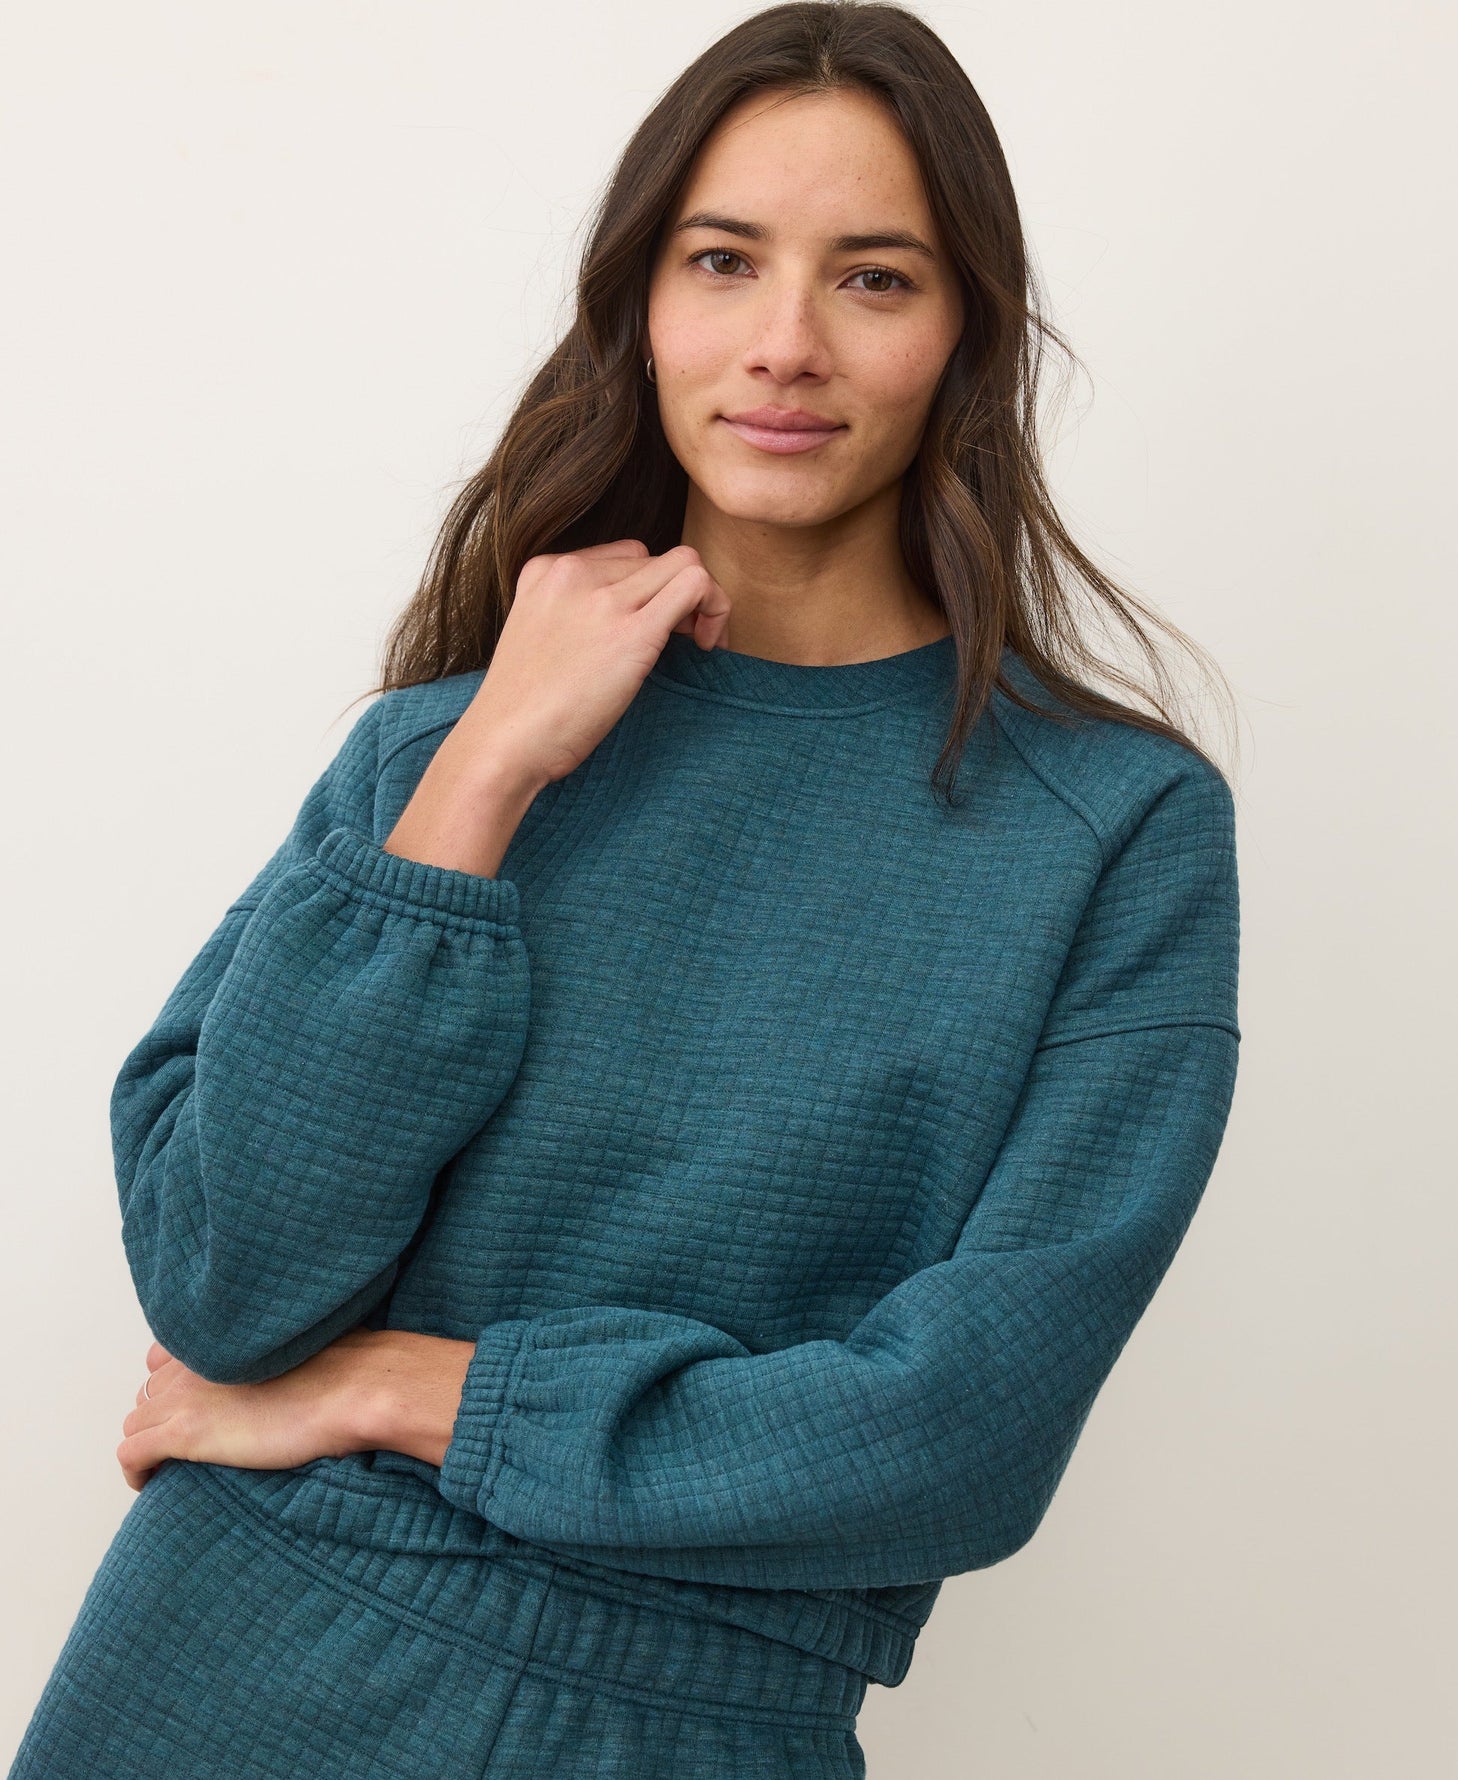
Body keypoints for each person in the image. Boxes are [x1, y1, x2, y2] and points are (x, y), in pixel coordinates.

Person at [9, 4, 1242, 1776]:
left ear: (966, 329)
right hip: (233, 1662)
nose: (784, 345)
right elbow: (224, 1282)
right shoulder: (437, 755)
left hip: (700, 1727)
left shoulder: (1112, 830)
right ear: (641, 307)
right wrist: (490, 768)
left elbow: (961, 1439)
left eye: (874, 278)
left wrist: (406, 1390)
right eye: (722, 260)